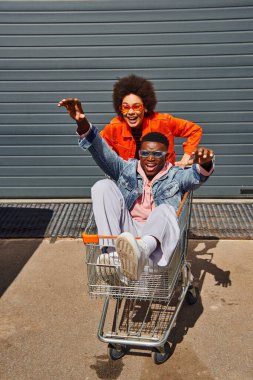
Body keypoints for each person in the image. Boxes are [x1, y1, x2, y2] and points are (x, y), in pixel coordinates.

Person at [58, 99, 214, 282]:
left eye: (157, 154)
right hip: (127, 238)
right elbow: (101, 151)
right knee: (102, 186)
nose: (150, 158)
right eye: (145, 153)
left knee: (165, 211)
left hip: (155, 242)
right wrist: (81, 122)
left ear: (166, 156)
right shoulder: (127, 169)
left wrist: (205, 163)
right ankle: (113, 258)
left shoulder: (176, 175)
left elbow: (196, 176)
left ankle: (141, 250)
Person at [59, 75, 202, 167]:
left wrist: (186, 157)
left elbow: (195, 130)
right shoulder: (115, 127)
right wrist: (82, 122)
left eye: (136, 106)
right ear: (120, 109)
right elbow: (96, 144)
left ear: (145, 107)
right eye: (126, 107)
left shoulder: (163, 121)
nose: (131, 112)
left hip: (163, 179)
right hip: (131, 182)